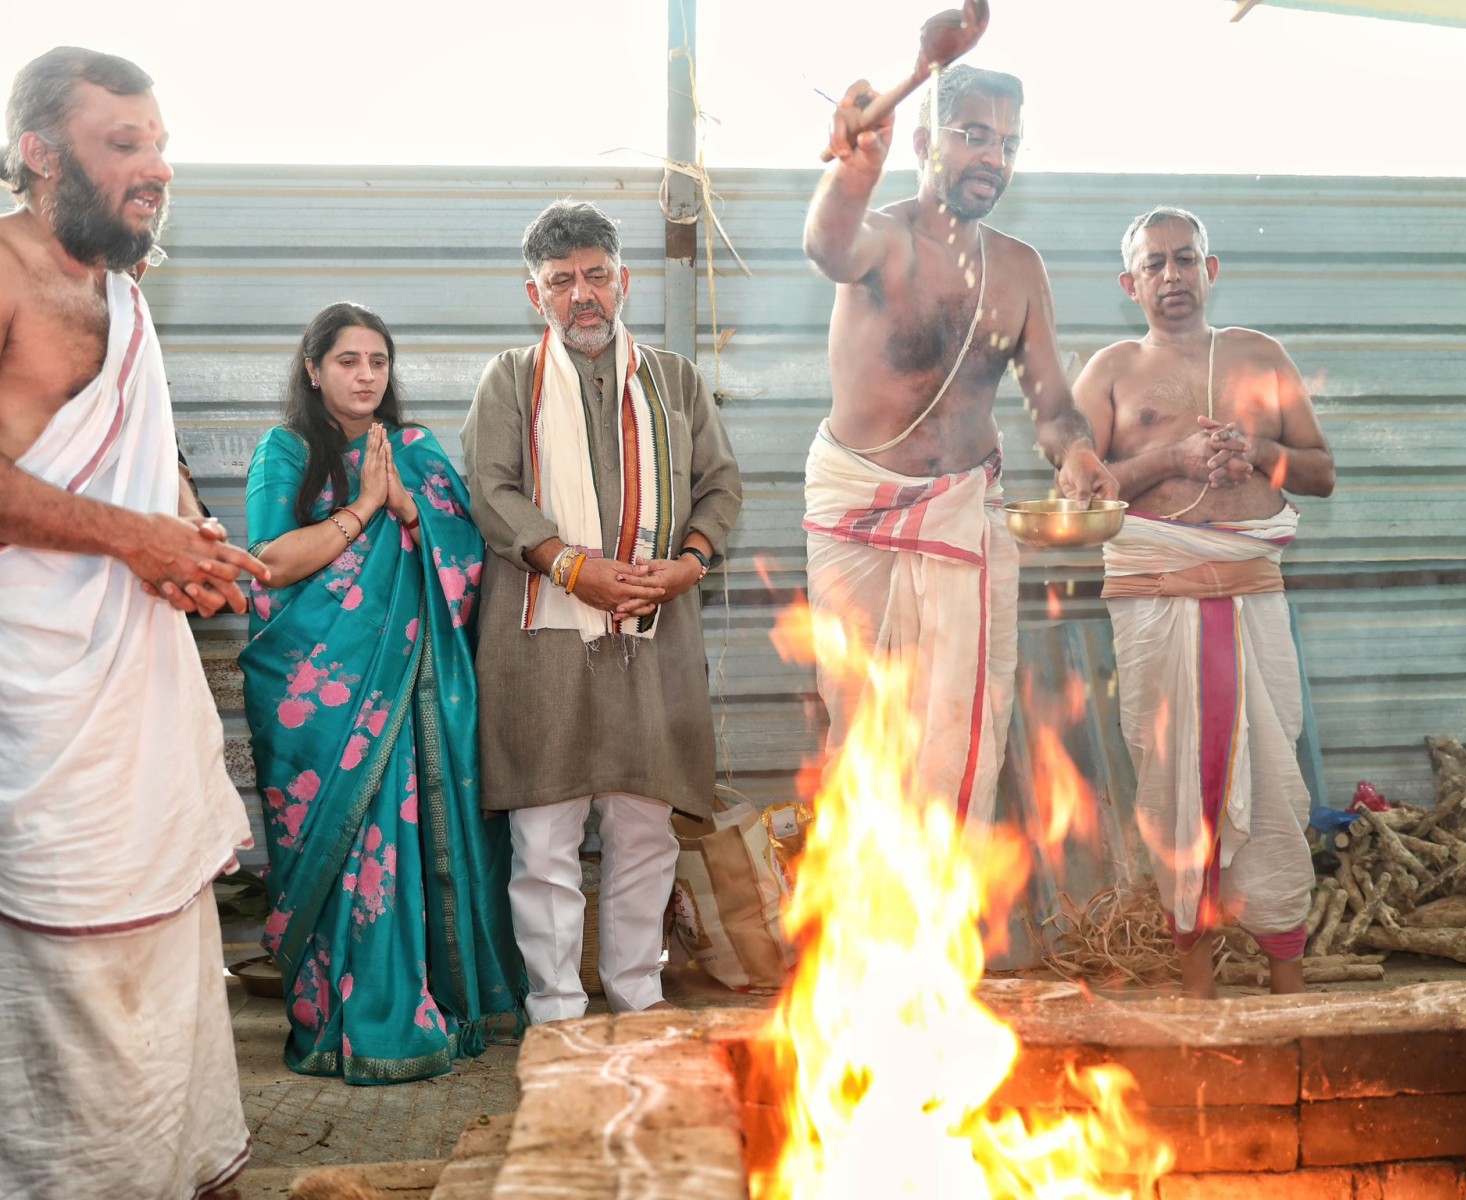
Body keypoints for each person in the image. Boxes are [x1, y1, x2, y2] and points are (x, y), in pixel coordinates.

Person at [0, 46, 264, 1196]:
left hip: (132, 701)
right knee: (65, 980)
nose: (155, 169)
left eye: (159, 145)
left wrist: (189, 547)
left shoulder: (125, 295)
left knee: (163, 966)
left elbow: (135, 484)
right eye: (124, 147)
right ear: (37, 154)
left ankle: (171, 1168)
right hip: (36, 699)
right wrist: (134, 539)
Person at [803, 56, 1116, 833]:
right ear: (923, 140)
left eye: (1009, 144)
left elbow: (1051, 405)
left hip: (966, 514)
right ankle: (858, 929)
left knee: (964, 732)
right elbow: (826, 245)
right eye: (974, 135)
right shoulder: (886, 239)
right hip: (860, 516)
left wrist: (1074, 453)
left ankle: (937, 930)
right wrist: (852, 171)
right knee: (864, 732)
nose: (993, 158)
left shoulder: (1019, 268)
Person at [462, 200, 742, 1023]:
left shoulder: (674, 378)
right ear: (534, 295)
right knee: (544, 838)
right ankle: (554, 1010)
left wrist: (689, 564)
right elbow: (489, 488)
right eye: (561, 282)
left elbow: (720, 486)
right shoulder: (510, 379)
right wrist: (571, 566)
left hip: (653, 641)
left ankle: (637, 998)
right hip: (543, 638)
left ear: (625, 281)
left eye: (594, 276)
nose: (581, 295)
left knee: (644, 829)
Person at [239, 302, 527, 1081]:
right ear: (312, 369)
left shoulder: (418, 452)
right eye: (347, 361)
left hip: (417, 694)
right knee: (348, 843)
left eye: (378, 361)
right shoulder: (288, 449)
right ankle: (343, 1015)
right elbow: (269, 564)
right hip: (322, 705)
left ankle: (436, 998)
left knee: (421, 832)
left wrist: (409, 508)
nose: (366, 375)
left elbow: (470, 562)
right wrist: (367, 507)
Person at [1073, 207, 1336, 998]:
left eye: (1185, 259)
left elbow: (1320, 474)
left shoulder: (1260, 355)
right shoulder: (1110, 372)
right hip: (1155, 595)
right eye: (1153, 264)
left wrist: (1257, 453)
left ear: (1210, 270)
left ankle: (1286, 976)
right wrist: (1173, 457)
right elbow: (1082, 497)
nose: (1171, 275)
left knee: (1274, 779)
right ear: (1130, 284)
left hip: (1251, 589)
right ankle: (1196, 981)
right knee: (1171, 779)